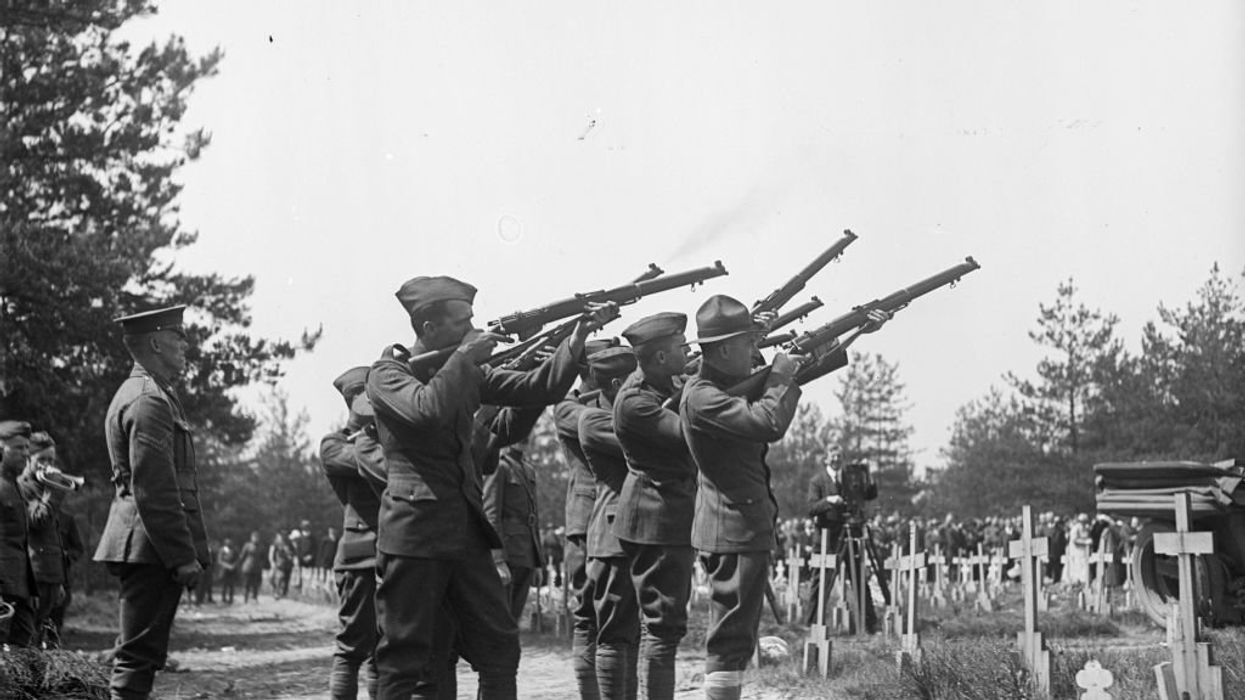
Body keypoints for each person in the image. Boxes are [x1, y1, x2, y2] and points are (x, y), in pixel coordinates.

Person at [365, 275, 616, 699]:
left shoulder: (460, 371)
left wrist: (574, 338)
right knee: (405, 657)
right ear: (428, 328)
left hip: (464, 531)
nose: (472, 328)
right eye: (462, 322)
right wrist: (465, 357)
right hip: (414, 534)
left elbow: (538, 388)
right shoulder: (387, 375)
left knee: (500, 646)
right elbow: (426, 411)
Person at [93, 306, 210, 700]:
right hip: (151, 548)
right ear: (156, 343)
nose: (186, 346)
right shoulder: (149, 401)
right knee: (137, 658)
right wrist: (181, 556)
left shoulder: (150, 394)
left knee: (139, 654)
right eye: (179, 337)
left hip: (146, 544)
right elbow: (155, 490)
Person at [610, 312, 695, 700]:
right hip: (656, 519)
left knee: (661, 627)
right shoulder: (634, 402)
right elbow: (688, 431)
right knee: (663, 627)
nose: (688, 351)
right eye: (681, 347)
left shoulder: (663, 383)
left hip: (662, 517)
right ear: (661, 357)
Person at [554, 336, 618, 699]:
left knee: (618, 620)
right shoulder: (568, 407)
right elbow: (612, 425)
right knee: (586, 619)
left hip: (611, 518)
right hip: (586, 518)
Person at [577, 346, 640, 700]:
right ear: (617, 384)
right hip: (613, 538)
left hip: (636, 533)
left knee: (632, 634)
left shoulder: (629, 414)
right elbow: (646, 444)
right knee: (615, 633)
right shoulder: (594, 419)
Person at [320, 366, 382, 700]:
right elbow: (368, 462)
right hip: (359, 556)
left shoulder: (383, 438)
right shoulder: (334, 444)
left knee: (384, 650)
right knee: (352, 646)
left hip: (392, 552)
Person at [18, 431, 70, 647]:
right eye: (41, 459)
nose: (47, 465)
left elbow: (53, 538)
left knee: (40, 636)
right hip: (33, 575)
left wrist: (59, 581)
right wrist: (54, 491)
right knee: (25, 637)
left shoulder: (44, 487)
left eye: (51, 460)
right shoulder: (21, 487)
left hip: (49, 575)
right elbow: (38, 520)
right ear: (28, 458)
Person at [0, 420, 36, 647]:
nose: (25, 453)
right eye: (18, 448)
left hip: (19, 586)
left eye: (27, 448)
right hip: (4, 587)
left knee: (22, 649)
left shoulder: (15, 486)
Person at [239, 531, 265, 603]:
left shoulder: (261, 547)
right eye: (254, 537)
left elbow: (263, 557)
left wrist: (261, 565)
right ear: (251, 538)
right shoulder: (247, 545)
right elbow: (242, 556)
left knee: (255, 584)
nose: (255, 539)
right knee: (246, 584)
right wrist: (239, 564)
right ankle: (245, 598)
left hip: (257, 568)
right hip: (247, 567)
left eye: (257, 538)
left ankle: (254, 598)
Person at [270, 532, 295, 598]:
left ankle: (282, 593)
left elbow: (293, 553)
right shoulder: (277, 544)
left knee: (284, 579)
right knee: (274, 578)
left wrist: (289, 555)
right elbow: (274, 553)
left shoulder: (289, 544)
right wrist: (273, 562)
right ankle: (276, 591)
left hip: (286, 565)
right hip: (279, 564)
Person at [216, 538, 239, 605]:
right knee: (224, 586)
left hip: (232, 571)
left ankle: (231, 599)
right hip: (224, 570)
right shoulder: (222, 550)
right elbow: (219, 561)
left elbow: (237, 559)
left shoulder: (234, 550)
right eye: (228, 543)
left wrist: (234, 565)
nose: (229, 544)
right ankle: (223, 599)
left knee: (231, 586)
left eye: (230, 543)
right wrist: (228, 566)